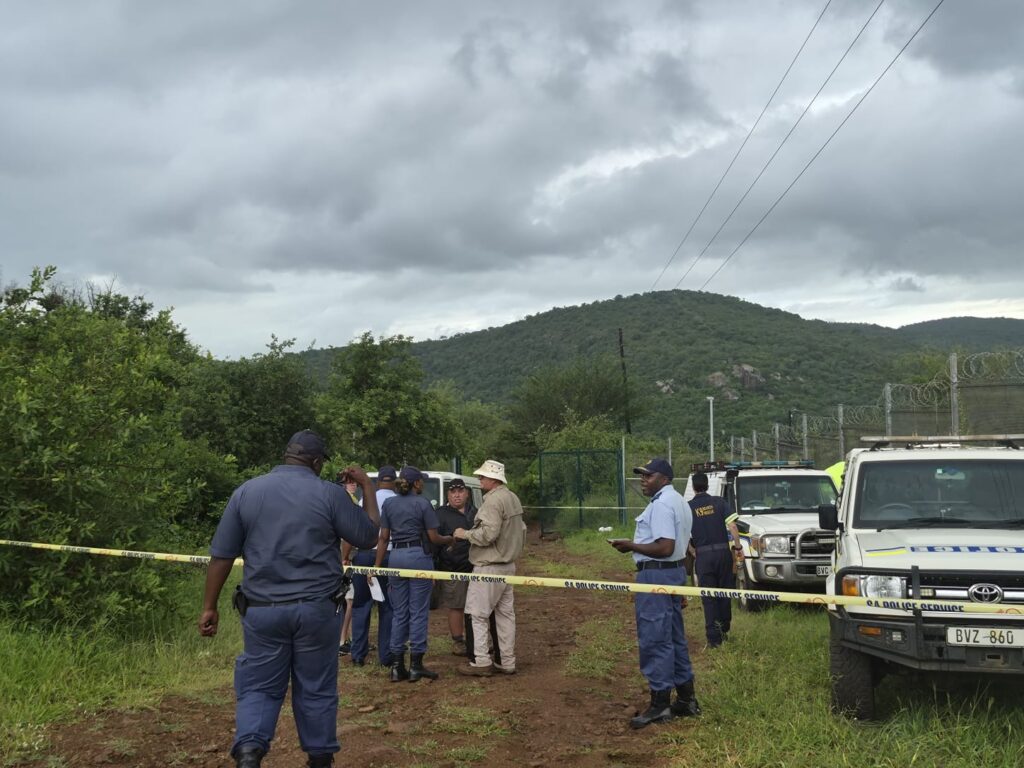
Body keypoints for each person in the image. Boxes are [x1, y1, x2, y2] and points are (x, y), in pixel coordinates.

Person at [198, 430, 380, 768]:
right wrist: (367, 486)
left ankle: (250, 753)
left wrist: (209, 606)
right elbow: (368, 537)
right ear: (315, 461)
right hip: (316, 612)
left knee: (259, 686)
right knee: (316, 685)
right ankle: (319, 758)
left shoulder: (247, 492)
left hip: (262, 611)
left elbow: (222, 555)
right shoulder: (330, 494)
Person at [609, 458, 700, 729]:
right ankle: (686, 699)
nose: (643, 481)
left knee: (654, 637)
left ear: (663, 478)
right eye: (642, 476)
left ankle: (660, 705)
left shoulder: (661, 504)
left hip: (656, 573)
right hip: (673, 572)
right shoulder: (679, 502)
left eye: (647, 476)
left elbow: (664, 547)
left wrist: (631, 546)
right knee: (673, 636)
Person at [373, 466, 453, 682]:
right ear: (416, 483)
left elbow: (383, 538)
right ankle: (416, 664)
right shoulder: (422, 503)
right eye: (422, 481)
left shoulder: (389, 504)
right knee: (418, 611)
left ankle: (397, 666)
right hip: (418, 557)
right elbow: (434, 537)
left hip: (396, 557)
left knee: (399, 612)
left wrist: (377, 566)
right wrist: (450, 539)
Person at [453, 459, 527, 677]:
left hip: (489, 566)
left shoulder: (493, 501)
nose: (480, 479)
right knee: (505, 615)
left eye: (483, 476)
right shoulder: (512, 498)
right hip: (508, 566)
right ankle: (507, 661)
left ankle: (482, 661)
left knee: (477, 614)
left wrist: (464, 534)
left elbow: (488, 534)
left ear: (493, 479)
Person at [345, 465, 397, 667]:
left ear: (377, 483)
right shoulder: (396, 501)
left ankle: (358, 655)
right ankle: (385, 655)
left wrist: (346, 556)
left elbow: (353, 529)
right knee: (387, 607)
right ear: (394, 481)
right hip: (388, 557)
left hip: (364, 555)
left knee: (360, 606)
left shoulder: (364, 499)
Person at [688, 471, 743, 648]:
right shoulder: (719, 503)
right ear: (707, 485)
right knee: (725, 592)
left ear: (694, 487)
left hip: (703, 557)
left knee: (709, 597)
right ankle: (724, 630)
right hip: (723, 554)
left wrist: (693, 550)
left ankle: (713, 640)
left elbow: (682, 535)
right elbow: (733, 525)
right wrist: (738, 546)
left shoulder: (688, 507)